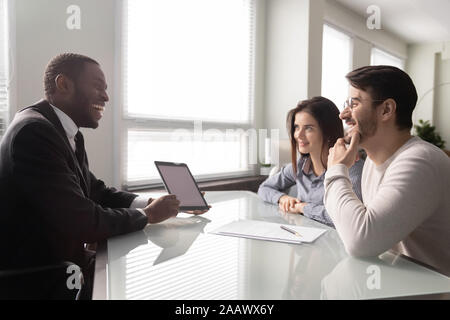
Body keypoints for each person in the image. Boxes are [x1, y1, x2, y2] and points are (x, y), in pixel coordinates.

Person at [0, 53, 208, 299]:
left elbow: (95, 191)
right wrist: (149, 215)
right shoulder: (34, 132)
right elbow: (81, 222)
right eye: (98, 87)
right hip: (36, 278)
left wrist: (148, 203)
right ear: (64, 84)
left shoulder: (65, 132)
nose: (106, 97)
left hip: (59, 263)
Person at [324, 65, 450, 276]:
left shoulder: (420, 161)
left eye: (354, 103)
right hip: (396, 283)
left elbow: (361, 241)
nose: (343, 114)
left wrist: (336, 170)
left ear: (386, 110)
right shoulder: (372, 163)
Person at [258, 97, 364, 227]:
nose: (298, 135)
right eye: (297, 127)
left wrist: (303, 208)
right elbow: (264, 188)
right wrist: (282, 198)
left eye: (308, 128)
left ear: (327, 130)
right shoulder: (299, 166)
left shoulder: (352, 169)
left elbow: (347, 216)